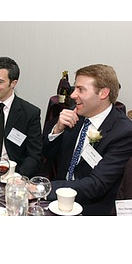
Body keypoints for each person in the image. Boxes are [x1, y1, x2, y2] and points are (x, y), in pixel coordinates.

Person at [42, 64, 132, 215]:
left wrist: (44, 188)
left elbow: (96, 184)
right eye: (74, 88)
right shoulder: (75, 113)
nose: (72, 95)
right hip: (56, 202)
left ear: (103, 93)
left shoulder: (123, 132)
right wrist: (57, 130)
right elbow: (48, 155)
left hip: (90, 209)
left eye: (80, 89)